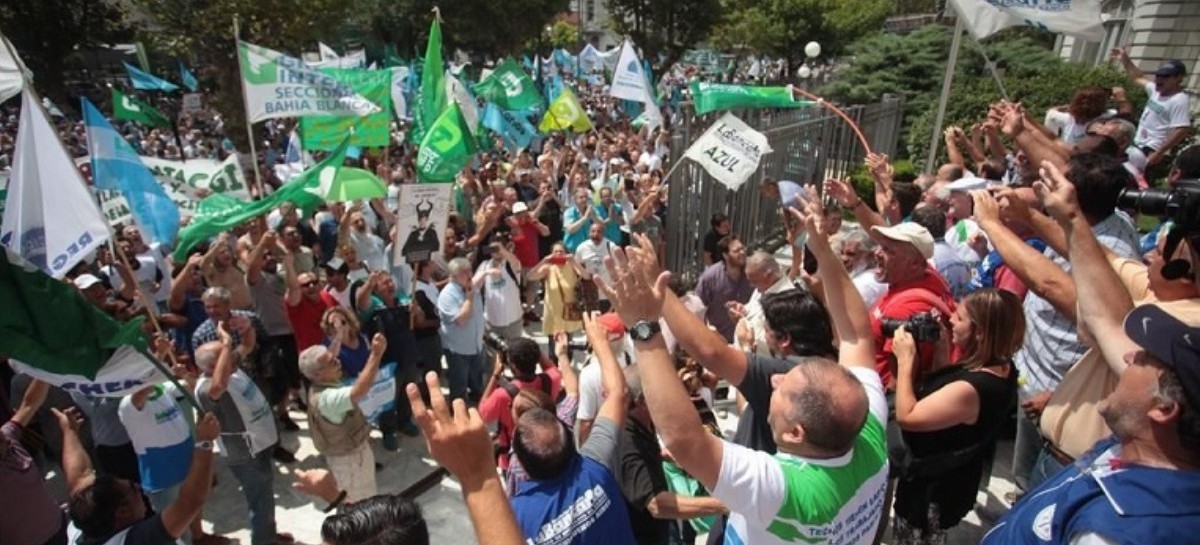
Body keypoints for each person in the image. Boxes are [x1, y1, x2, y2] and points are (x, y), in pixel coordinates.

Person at [601, 222, 888, 545]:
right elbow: (856, 334)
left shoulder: (779, 490)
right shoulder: (870, 436)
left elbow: (685, 440)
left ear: (796, 433)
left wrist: (643, 327)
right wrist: (821, 250)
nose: (776, 377)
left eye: (783, 388)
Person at [981, 164, 1200, 543]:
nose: (1130, 356)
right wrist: (1059, 216)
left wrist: (993, 224)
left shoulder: (1117, 528)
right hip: (1064, 460)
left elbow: (1066, 292)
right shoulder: (1127, 457)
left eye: (1144, 357)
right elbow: (1102, 281)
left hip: (1068, 460)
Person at [890, 289, 1024, 543]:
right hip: (956, 478)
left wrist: (906, 362)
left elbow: (908, 416)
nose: (950, 319)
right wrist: (942, 350)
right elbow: (947, 403)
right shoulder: (1001, 367)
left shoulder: (973, 388)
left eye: (960, 318)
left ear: (981, 332)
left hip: (933, 490)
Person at [508, 313, 637, 545]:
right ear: (567, 433)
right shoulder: (597, 463)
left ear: (521, 462)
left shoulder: (517, 516)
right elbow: (619, 393)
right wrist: (599, 344)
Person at [59, 400, 221, 545]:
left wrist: (70, 431)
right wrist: (205, 442)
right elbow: (190, 502)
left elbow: (80, 477)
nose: (139, 486)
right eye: (132, 488)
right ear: (122, 512)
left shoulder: (79, 528)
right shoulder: (136, 540)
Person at [193, 327, 289, 545]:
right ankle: (264, 541)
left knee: (264, 496)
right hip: (245, 453)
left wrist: (245, 327)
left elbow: (246, 346)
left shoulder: (231, 370)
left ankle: (268, 533)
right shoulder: (207, 387)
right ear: (211, 367)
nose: (231, 356)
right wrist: (226, 344)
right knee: (259, 499)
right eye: (225, 356)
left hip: (260, 443)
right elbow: (218, 386)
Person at [618, 365, 729, 545]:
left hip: (661, 527)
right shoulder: (627, 443)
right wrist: (722, 505)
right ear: (642, 401)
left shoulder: (644, 422)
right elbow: (656, 504)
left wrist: (661, 455)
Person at [299, 333, 388, 503]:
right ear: (318, 374)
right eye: (331, 362)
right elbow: (359, 391)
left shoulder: (322, 385)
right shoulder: (327, 398)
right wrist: (376, 354)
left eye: (335, 357)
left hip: (351, 457)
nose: (338, 362)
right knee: (363, 506)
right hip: (351, 462)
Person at [866, 222, 956, 389]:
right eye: (880, 246)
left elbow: (900, 378)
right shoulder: (927, 275)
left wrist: (888, 409)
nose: (877, 253)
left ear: (915, 264)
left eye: (888, 250)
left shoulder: (906, 309)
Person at [478, 337, 563, 471]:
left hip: (515, 455)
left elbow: (482, 414)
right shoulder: (551, 380)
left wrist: (495, 375)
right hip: (545, 446)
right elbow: (551, 368)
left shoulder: (502, 395)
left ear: (513, 366)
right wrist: (533, 351)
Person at [1, 379, 66, 545]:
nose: (6, 441)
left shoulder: (8, 435)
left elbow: (29, 404)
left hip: (58, 527)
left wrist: (44, 373)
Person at [1111, 50, 1192, 168]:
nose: (1159, 79)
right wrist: (1125, 59)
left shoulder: (1179, 100)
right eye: (1158, 75)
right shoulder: (1155, 90)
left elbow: (1182, 129)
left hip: (1151, 149)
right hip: (1137, 143)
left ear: (1178, 78)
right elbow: (1138, 77)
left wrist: (1159, 153)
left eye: (1165, 76)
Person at [438, 257, 487, 402]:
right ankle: (457, 413)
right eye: (464, 272)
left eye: (470, 270)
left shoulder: (470, 287)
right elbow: (461, 320)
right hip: (459, 350)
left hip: (476, 345)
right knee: (459, 387)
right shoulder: (447, 295)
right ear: (453, 276)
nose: (469, 274)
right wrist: (469, 299)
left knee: (477, 382)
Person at [732, 251, 797, 355]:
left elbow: (776, 343)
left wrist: (743, 326)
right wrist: (742, 310)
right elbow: (752, 309)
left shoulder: (787, 301)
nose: (751, 285)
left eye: (754, 281)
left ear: (769, 275)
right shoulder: (763, 287)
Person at [695, 235, 753, 344]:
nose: (742, 252)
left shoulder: (752, 273)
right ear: (725, 255)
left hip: (746, 339)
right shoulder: (710, 278)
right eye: (737, 251)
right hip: (718, 341)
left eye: (743, 248)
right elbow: (697, 308)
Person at [526, 242, 586, 335]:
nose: (558, 254)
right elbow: (530, 276)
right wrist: (544, 261)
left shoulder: (571, 265)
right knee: (553, 344)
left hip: (569, 311)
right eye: (555, 252)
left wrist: (574, 261)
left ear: (566, 253)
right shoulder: (548, 268)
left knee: (568, 343)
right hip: (553, 311)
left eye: (561, 251)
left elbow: (586, 276)